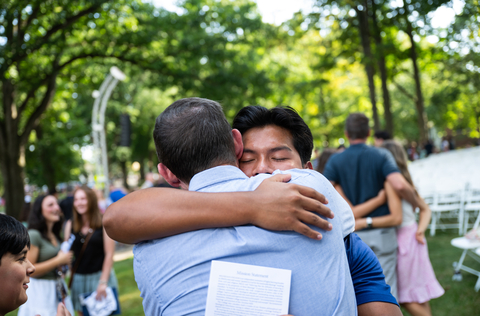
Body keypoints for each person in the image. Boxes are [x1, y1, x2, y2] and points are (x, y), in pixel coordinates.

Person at [105, 105, 402, 315]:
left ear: (308, 171)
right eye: (249, 159)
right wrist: (254, 205)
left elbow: (369, 287)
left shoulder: (327, 218)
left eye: (279, 157)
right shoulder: (160, 230)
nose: (263, 172)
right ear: (235, 149)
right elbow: (119, 217)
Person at [323, 113, 419, 300]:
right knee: (386, 292)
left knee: (355, 293)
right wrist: (415, 203)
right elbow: (399, 184)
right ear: (368, 132)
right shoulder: (381, 154)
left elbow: (324, 190)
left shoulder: (335, 161)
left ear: (346, 133)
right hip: (383, 234)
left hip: (349, 238)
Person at [382, 140, 444, 316]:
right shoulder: (406, 183)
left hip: (405, 242)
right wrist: (420, 230)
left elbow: (424, 209)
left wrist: (420, 231)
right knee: (419, 295)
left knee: (402, 297)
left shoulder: (395, 184)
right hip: (413, 239)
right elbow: (425, 210)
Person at [18, 196, 75, 316]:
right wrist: (58, 260)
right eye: (50, 205)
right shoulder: (34, 235)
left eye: (56, 204)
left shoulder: (54, 234)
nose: (56, 208)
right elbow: (29, 270)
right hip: (41, 292)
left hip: (58, 287)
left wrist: (62, 264)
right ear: (40, 210)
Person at [69, 186, 118, 316]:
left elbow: (109, 254)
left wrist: (103, 282)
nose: (79, 202)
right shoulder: (70, 225)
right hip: (79, 279)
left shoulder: (104, 221)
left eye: (83, 199)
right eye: (76, 199)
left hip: (100, 277)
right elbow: (68, 253)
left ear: (91, 200)